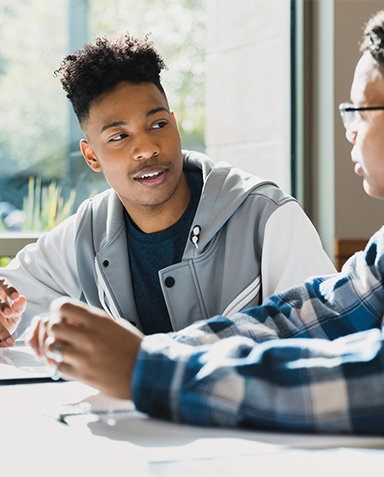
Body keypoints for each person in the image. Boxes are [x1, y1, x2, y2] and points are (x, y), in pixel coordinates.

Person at [31, 0, 384, 437]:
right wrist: (148, 355)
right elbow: (305, 317)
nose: (349, 130)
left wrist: (147, 370)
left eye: (357, 111)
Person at [0, 34, 335, 347]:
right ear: (91, 156)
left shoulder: (268, 218)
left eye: (158, 125)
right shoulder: (86, 232)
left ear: (174, 124)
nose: (146, 148)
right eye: (119, 136)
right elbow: (12, 295)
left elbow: (326, 340)